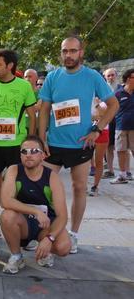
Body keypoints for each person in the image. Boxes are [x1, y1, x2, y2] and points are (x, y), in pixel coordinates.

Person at [38, 36, 119, 253]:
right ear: (61, 53)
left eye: (73, 51)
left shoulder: (92, 76)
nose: (69, 55)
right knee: (43, 189)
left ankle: (73, 234)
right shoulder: (53, 77)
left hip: (81, 145)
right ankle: (43, 232)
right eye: (65, 51)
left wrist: (97, 128)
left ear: (81, 52)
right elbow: (44, 110)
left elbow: (113, 105)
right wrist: (41, 138)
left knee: (79, 188)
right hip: (53, 144)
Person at [0, 49, 36, 234]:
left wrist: (30, 144)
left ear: (10, 66)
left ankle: (22, 227)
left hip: (16, 145)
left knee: (19, 188)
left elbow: (32, 116)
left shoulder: (24, 86)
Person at [0, 136, 71, 274]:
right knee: (7, 216)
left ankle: (45, 250)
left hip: (45, 225)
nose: (28, 155)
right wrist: (35, 211)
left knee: (64, 247)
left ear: (43, 155)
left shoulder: (52, 177)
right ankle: (16, 256)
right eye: (24, 151)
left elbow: (63, 216)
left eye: (34, 151)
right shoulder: (14, 170)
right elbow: (5, 201)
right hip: (23, 224)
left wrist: (49, 239)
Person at [110, 69, 134, 184]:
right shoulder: (118, 93)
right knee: (120, 151)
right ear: (129, 79)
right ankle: (122, 175)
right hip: (120, 127)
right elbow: (110, 108)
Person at [102, 68, 120, 179]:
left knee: (122, 147)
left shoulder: (121, 88)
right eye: (108, 76)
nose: (110, 77)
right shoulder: (102, 89)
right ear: (105, 77)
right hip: (108, 120)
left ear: (116, 76)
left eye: (112, 75)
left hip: (120, 120)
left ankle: (125, 171)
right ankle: (110, 169)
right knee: (109, 146)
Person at [89, 100, 109, 196]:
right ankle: (82, 185)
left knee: (99, 160)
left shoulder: (103, 102)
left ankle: (95, 186)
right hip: (88, 131)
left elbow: (102, 115)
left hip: (102, 131)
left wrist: (97, 103)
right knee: (83, 159)